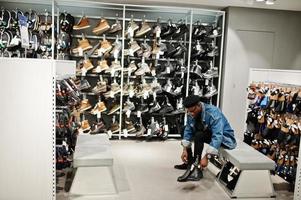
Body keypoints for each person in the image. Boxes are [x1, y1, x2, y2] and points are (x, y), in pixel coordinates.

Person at [175, 95, 237, 182]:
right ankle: (189, 162)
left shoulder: (213, 112)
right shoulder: (191, 112)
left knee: (199, 135)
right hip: (207, 132)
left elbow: (217, 135)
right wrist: (185, 149)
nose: (191, 113)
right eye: (189, 112)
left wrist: (207, 156)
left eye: (193, 111)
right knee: (184, 129)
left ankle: (197, 168)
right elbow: (188, 130)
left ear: (199, 105)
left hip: (225, 138)